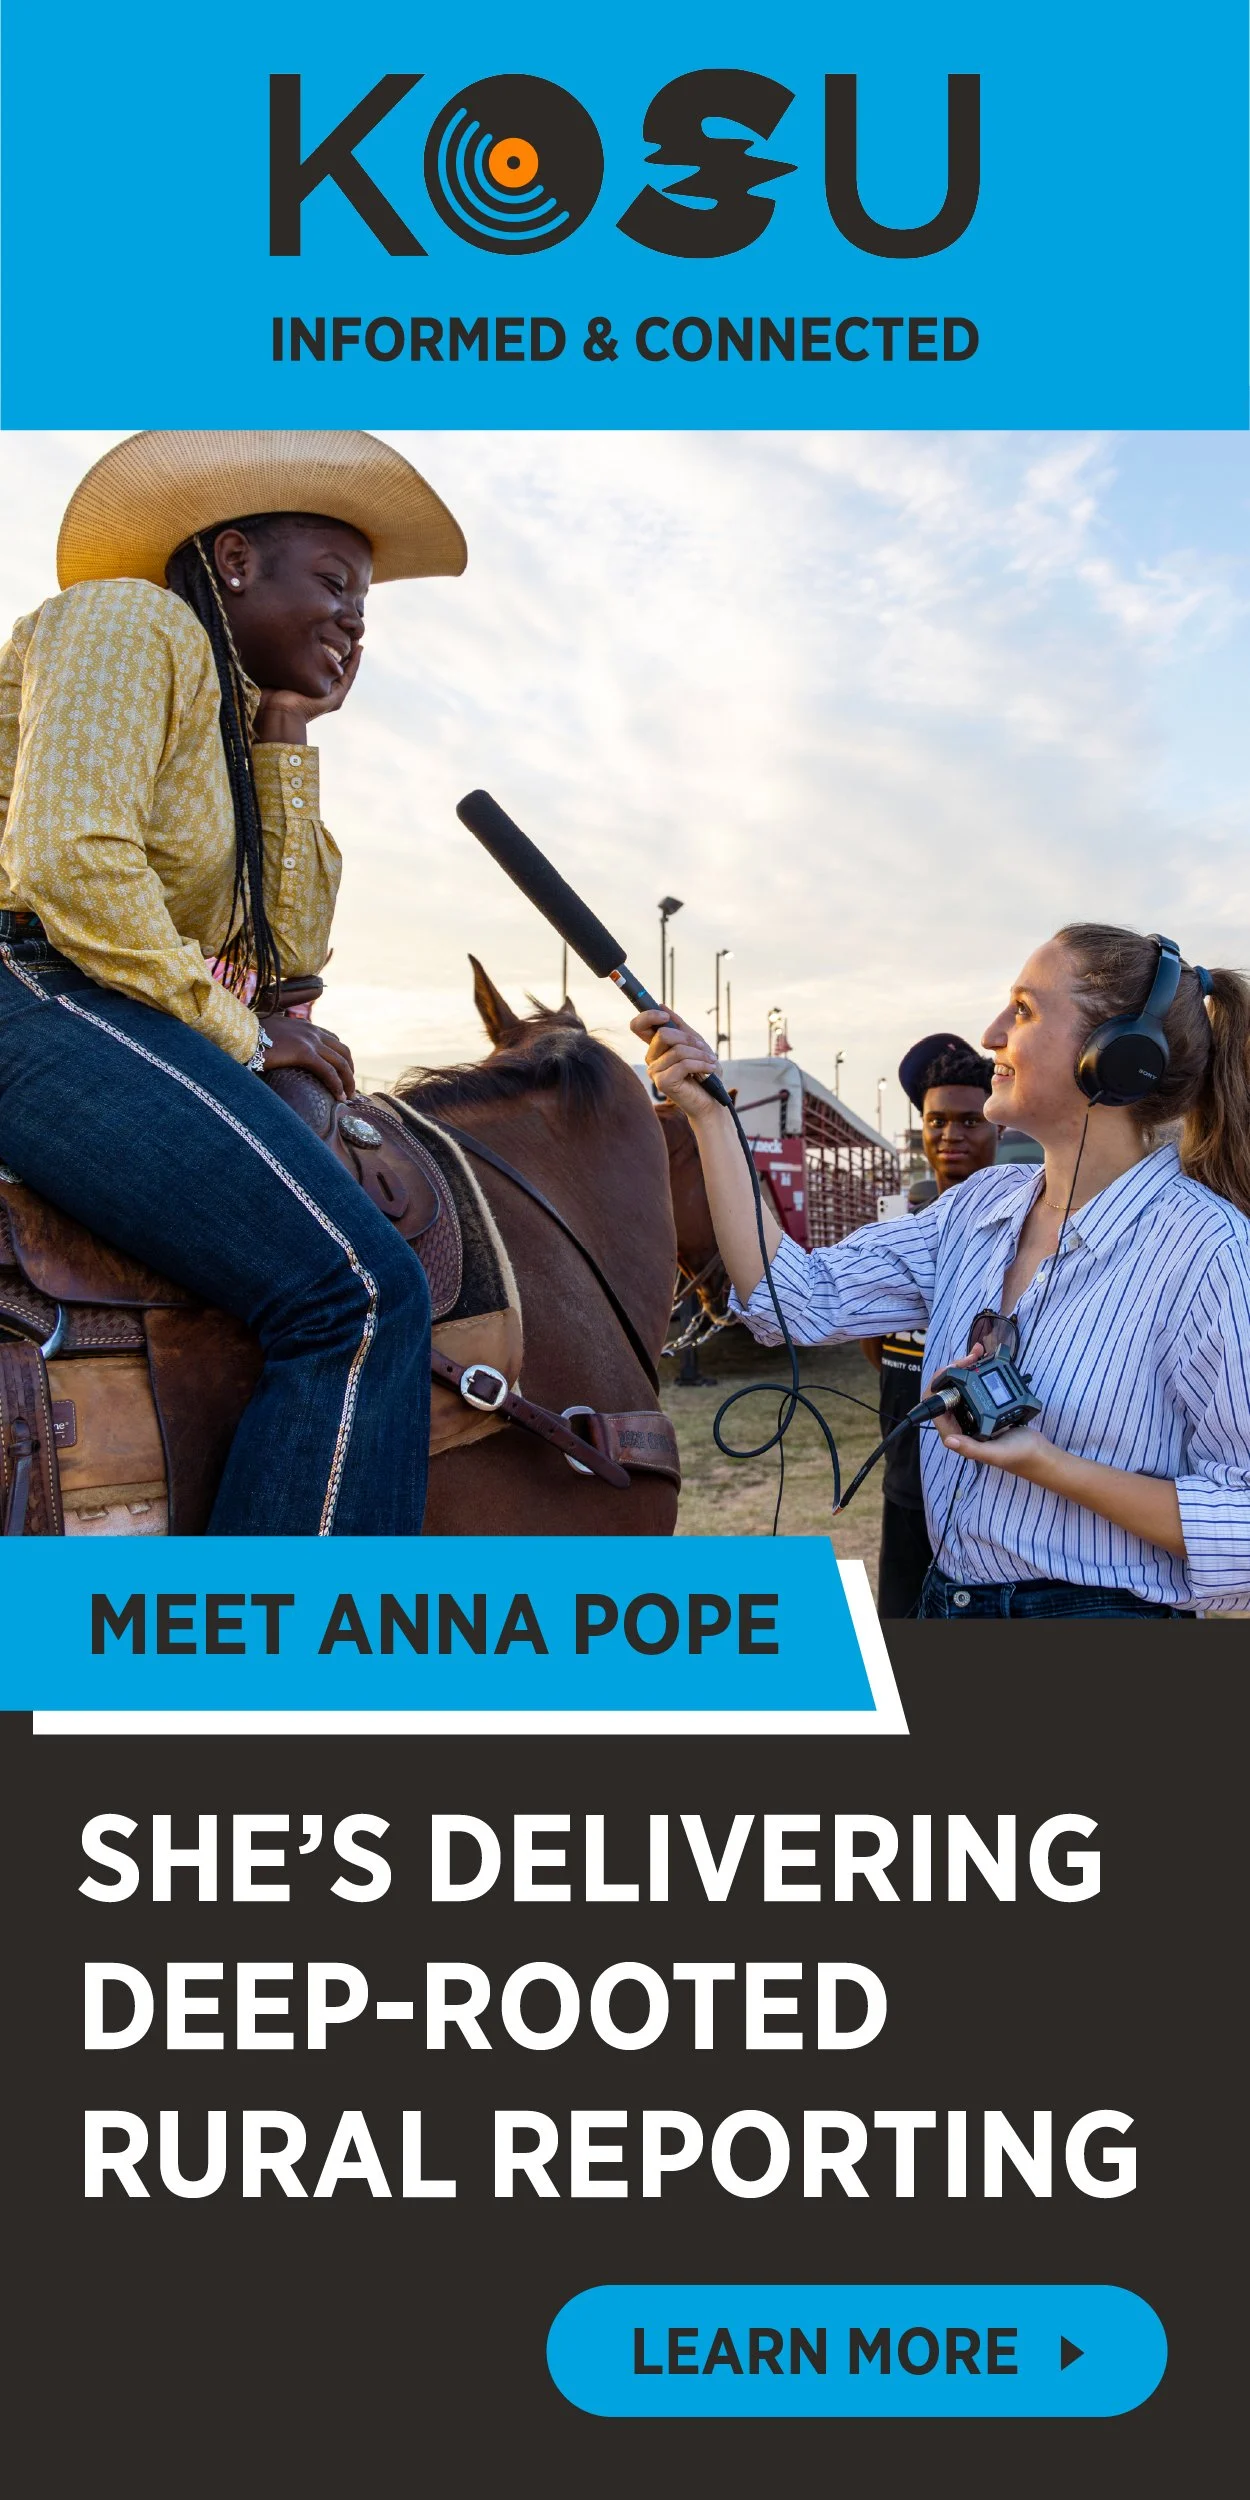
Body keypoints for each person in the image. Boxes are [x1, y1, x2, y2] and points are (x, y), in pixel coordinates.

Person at [0, 429, 467, 1534]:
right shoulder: (134, 620)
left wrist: (285, 727)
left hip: (99, 994)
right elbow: (68, 860)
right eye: (337, 583)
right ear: (237, 560)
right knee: (357, 1294)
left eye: (365, 606)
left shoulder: (231, 715)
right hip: (28, 979)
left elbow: (286, 951)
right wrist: (243, 1035)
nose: (355, 621)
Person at [635, 926, 1250, 1616]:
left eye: (1023, 1010)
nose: (991, 1034)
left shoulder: (1209, 1250)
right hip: (949, 1600)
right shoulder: (977, 1208)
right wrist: (711, 1116)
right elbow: (795, 1299)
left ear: (1117, 1057)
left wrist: (1046, 1464)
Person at [863, 1035, 998, 1617]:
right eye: (937, 1120)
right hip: (906, 1479)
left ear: (998, 1126)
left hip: (990, 1491)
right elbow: (876, 1345)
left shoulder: (1021, 1234)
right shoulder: (901, 1234)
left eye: (970, 1120)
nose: (950, 1134)